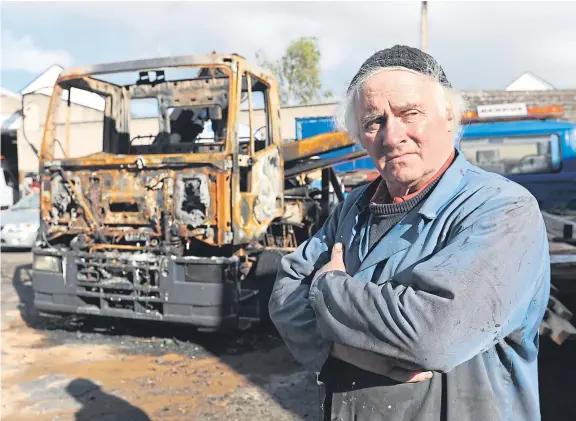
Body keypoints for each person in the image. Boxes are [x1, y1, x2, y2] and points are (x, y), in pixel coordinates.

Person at [269, 45, 550, 421]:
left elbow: (434, 336)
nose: (391, 136)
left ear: (449, 115)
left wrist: (326, 286)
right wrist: (342, 350)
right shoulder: (355, 207)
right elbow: (285, 295)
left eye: (410, 114)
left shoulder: (502, 208)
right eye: (373, 122)